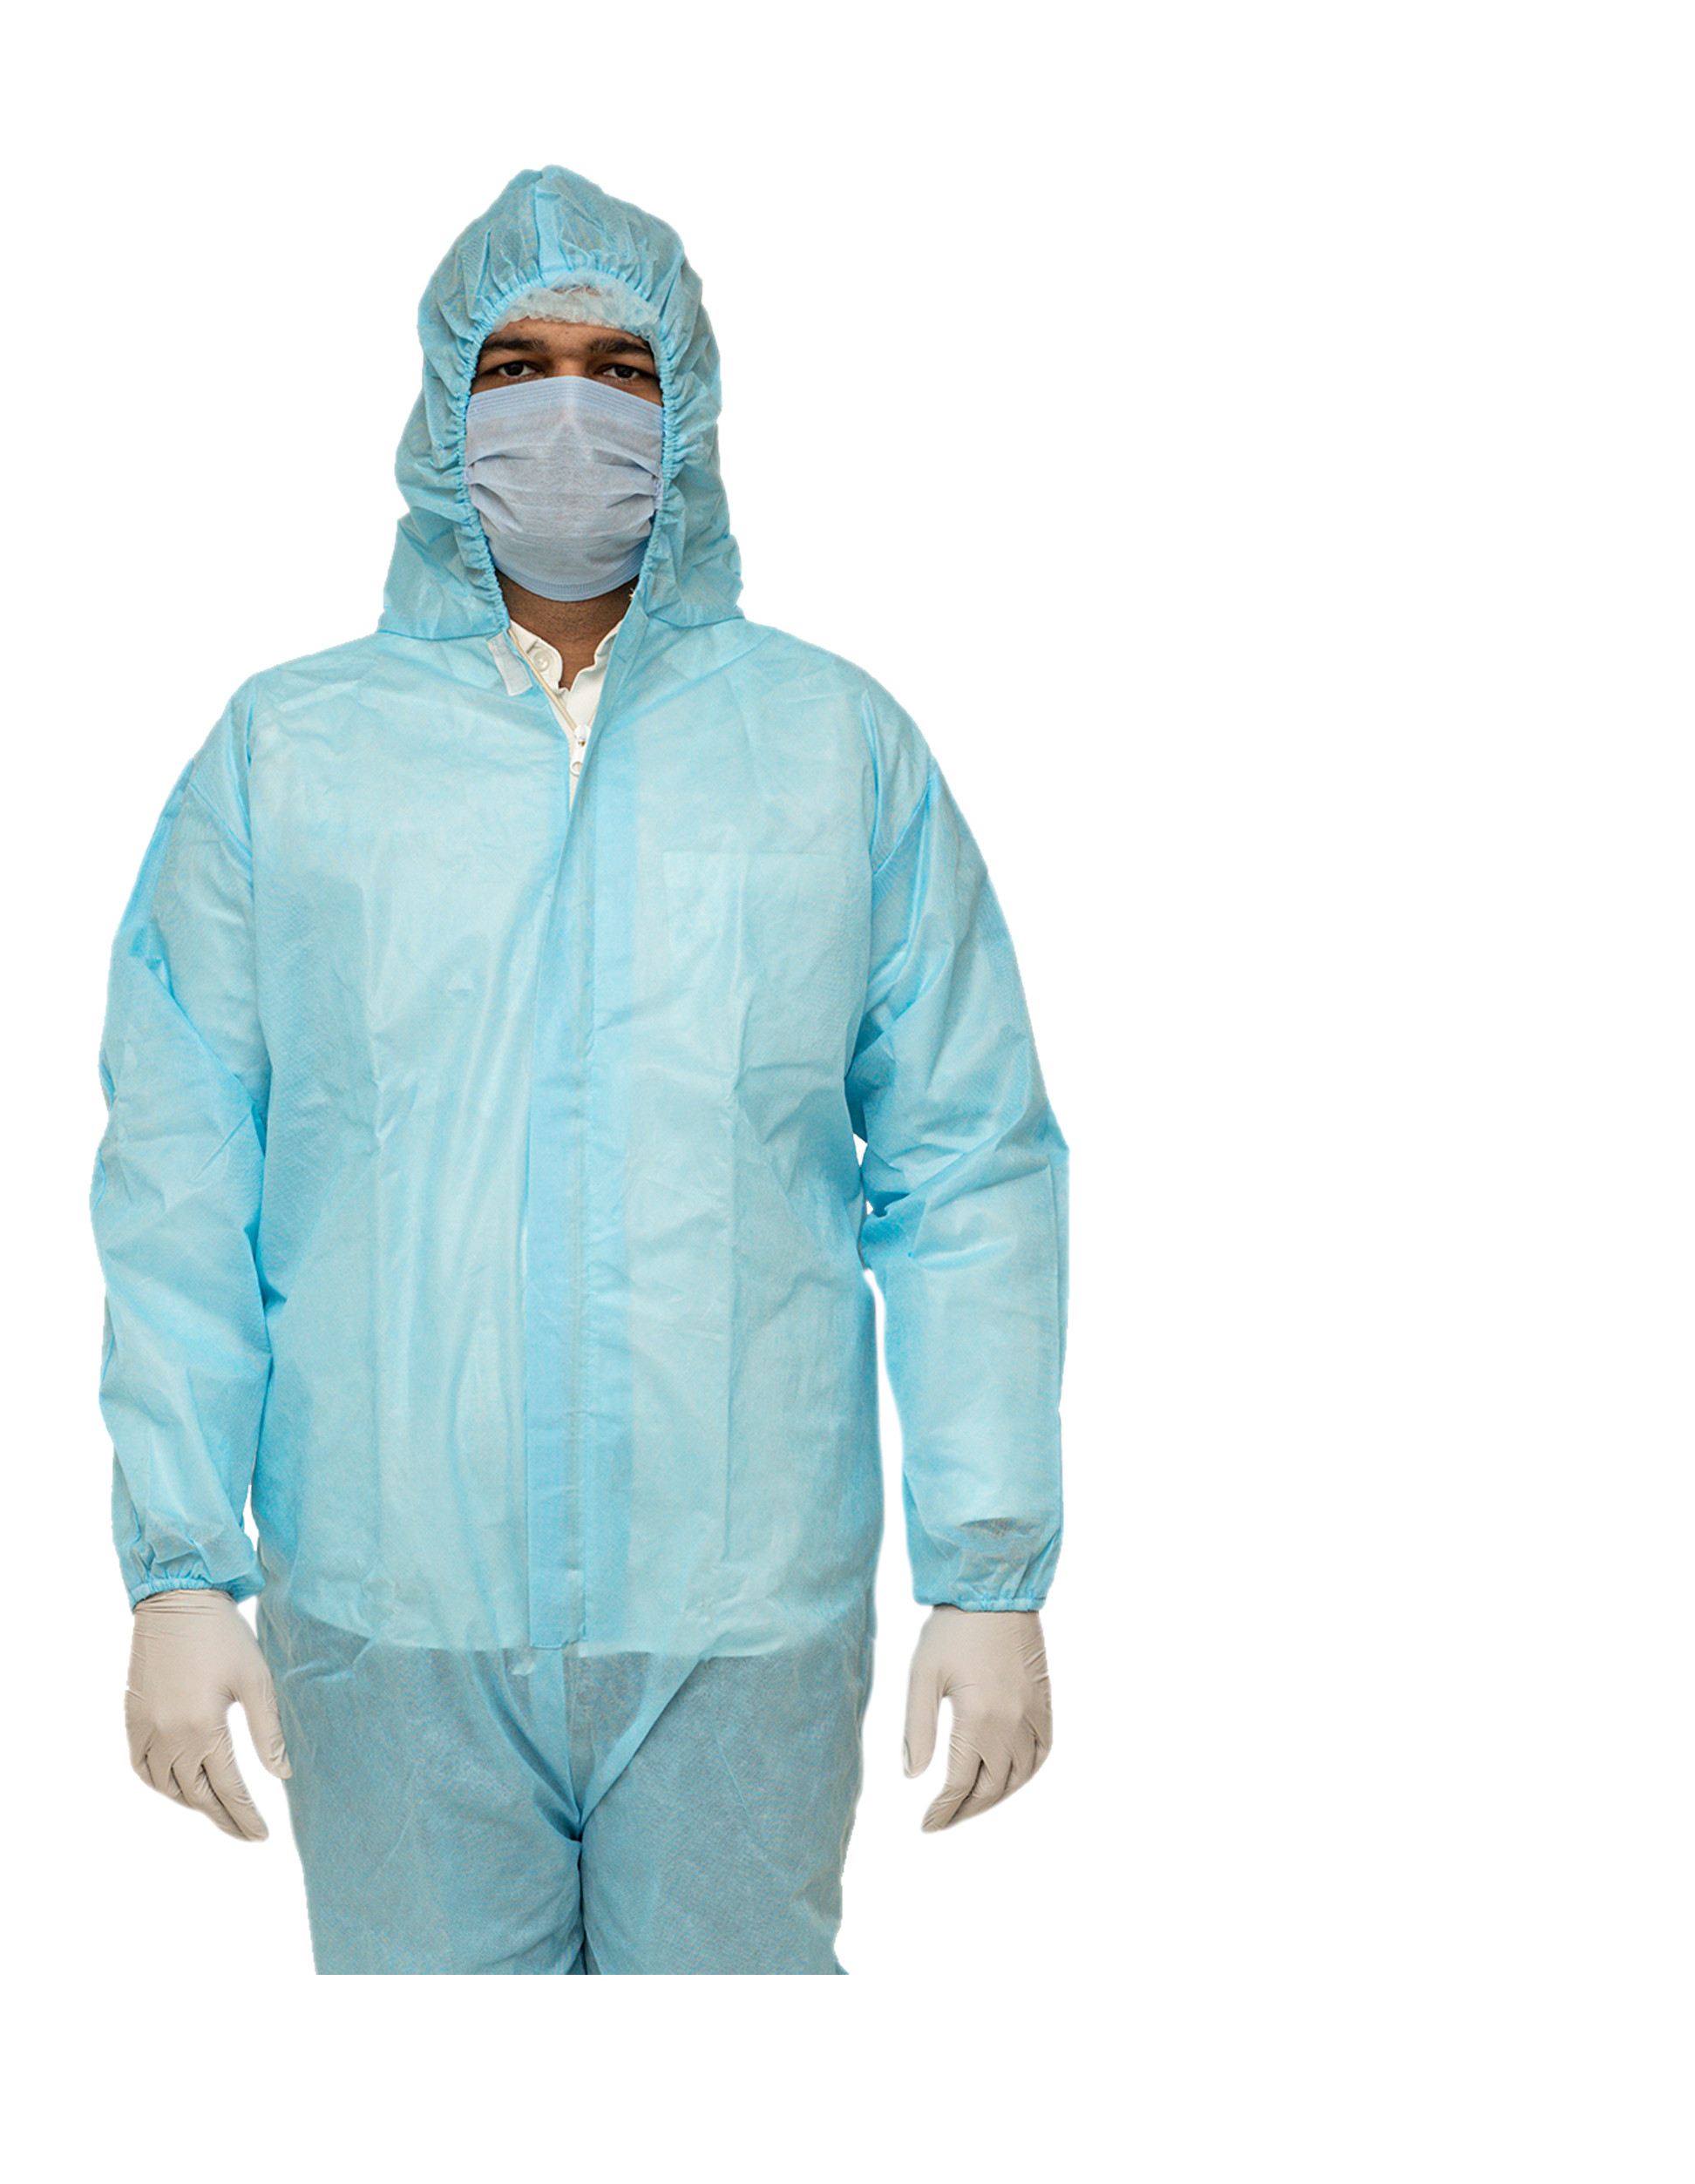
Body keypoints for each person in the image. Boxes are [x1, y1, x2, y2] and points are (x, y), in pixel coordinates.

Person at [94, 166, 1068, 1975]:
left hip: (739, 1616)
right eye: (517, 366)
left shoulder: (829, 747)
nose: (567, 416)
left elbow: (967, 1162)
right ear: (439, 408)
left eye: (618, 370)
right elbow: (179, 1174)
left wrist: (985, 1567)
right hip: (390, 1612)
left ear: (687, 406)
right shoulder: (291, 755)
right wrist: (177, 1563)